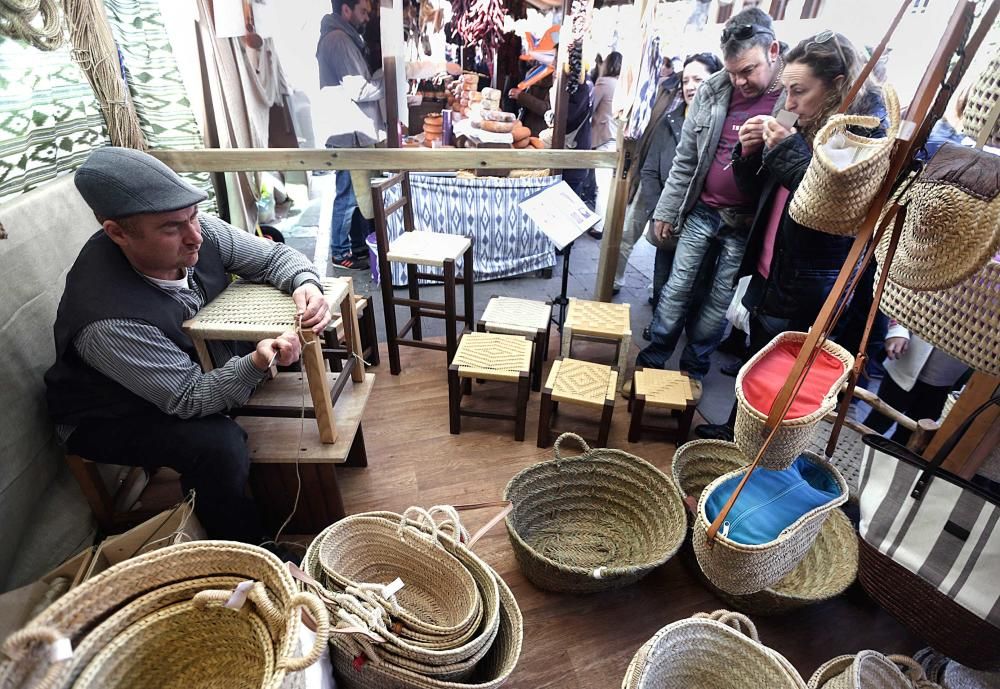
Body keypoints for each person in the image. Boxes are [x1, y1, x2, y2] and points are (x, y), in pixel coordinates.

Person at [45, 147, 332, 544]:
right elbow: (188, 398)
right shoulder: (107, 320)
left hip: (185, 368)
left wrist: (306, 284)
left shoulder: (198, 230)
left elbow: (272, 258)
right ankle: (245, 547)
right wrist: (252, 364)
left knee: (292, 341)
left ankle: (297, 492)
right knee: (218, 445)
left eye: (194, 216)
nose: (194, 235)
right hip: (110, 414)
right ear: (117, 233)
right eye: (171, 228)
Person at [695, 31, 889, 440]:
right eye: (786, 90)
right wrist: (748, 155)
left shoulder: (861, 140)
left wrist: (785, 151)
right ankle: (735, 433)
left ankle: (756, 451)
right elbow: (758, 192)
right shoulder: (801, 122)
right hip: (771, 268)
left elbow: (829, 210)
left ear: (838, 85)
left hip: (806, 285)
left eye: (799, 91)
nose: (789, 103)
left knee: (782, 380)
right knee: (756, 365)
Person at [630, 8, 785, 399]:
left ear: (773, 51)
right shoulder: (716, 89)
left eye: (747, 70)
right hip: (702, 210)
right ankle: (655, 357)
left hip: (745, 223)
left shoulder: (790, 98)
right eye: (733, 72)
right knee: (676, 287)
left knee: (718, 302)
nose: (739, 81)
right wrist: (666, 209)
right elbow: (685, 159)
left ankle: (694, 368)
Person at [615, 53, 722, 300]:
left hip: (696, 208)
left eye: (698, 79)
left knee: (685, 273)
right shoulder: (671, 114)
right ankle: (652, 302)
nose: (690, 86)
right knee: (649, 248)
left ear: (714, 81)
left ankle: (665, 310)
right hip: (658, 194)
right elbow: (651, 167)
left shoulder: (719, 122)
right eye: (686, 80)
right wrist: (660, 210)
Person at [316, 0, 383, 271]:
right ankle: (340, 251)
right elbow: (360, 90)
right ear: (346, 10)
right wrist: (388, 78)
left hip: (351, 129)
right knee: (347, 195)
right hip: (348, 132)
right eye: (363, 11)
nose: (367, 17)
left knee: (355, 194)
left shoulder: (344, 38)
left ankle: (355, 247)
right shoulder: (338, 40)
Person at [862, 324, 969, 445]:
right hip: (906, 358)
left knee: (908, 440)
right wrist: (897, 330)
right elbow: (902, 305)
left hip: (946, 378)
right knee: (877, 422)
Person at [589, 51, 624, 240]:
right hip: (616, 138)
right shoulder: (622, 85)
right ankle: (606, 223)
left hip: (603, 138)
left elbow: (590, 106)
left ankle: (599, 226)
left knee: (602, 185)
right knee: (608, 184)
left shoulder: (604, 83)